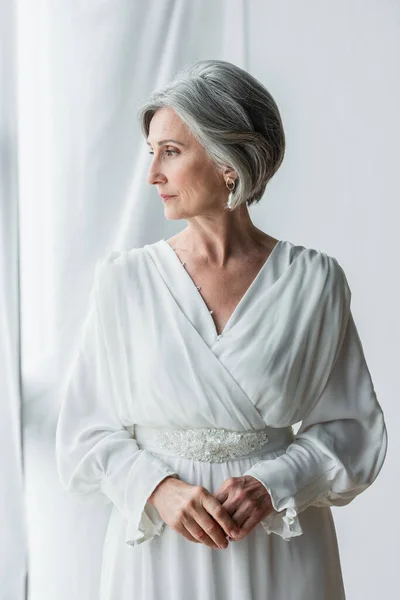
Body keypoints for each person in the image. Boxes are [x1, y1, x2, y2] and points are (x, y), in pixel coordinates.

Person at [55, 59, 388, 600]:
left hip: (278, 544)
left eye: (172, 151)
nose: (152, 175)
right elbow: (83, 435)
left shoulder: (315, 282)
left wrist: (273, 484)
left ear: (228, 163)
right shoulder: (125, 282)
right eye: (151, 152)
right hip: (160, 550)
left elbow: (352, 430)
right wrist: (156, 488)